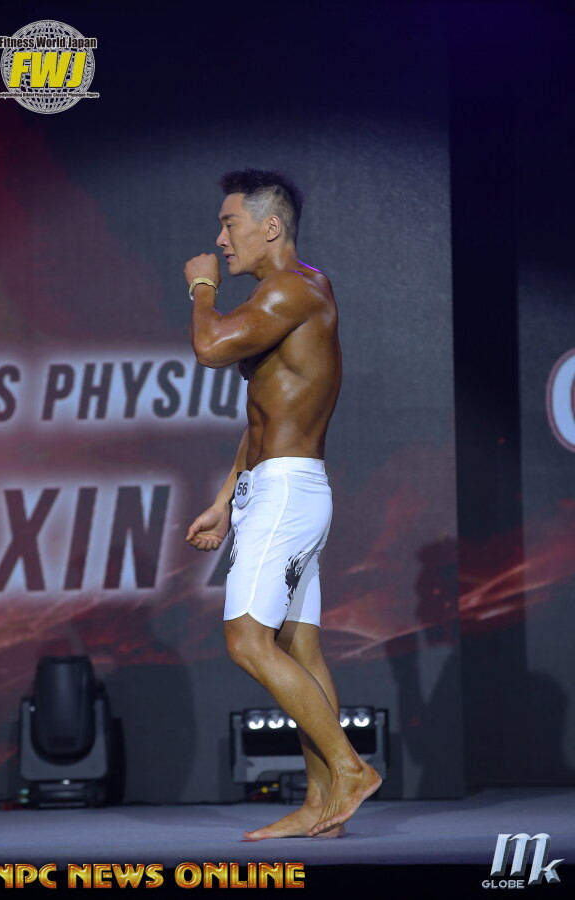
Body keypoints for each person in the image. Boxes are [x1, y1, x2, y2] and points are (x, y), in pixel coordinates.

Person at [183, 168, 381, 838]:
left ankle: (350, 770)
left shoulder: (291, 289)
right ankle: (323, 805)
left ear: (270, 227)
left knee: (247, 640)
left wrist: (201, 286)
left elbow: (210, 346)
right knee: (299, 646)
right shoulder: (293, 291)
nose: (220, 239)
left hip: (287, 492)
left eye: (229, 224)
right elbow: (263, 419)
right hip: (278, 488)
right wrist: (223, 500)